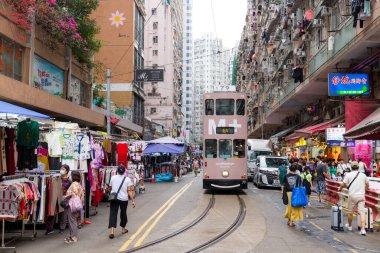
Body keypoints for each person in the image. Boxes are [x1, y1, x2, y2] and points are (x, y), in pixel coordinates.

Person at [339, 161, 369, 236]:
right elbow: (367, 185)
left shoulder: (348, 175)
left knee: (350, 212)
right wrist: (364, 190)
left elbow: (343, 184)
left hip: (352, 195)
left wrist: (340, 187)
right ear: (358, 167)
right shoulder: (363, 175)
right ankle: (363, 229)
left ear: (351, 167)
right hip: (361, 196)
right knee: (362, 212)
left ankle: (350, 226)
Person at [108, 165, 136, 239]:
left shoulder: (113, 178)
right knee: (123, 213)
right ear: (124, 172)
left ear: (117, 171)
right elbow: (129, 191)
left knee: (113, 213)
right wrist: (133, 201)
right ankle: (123, 229)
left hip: (114, 198)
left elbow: (110, 187)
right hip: (124, 199)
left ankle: (112, 231)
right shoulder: (127, 179)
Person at [45, 164, 72, 235]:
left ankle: (62, 228)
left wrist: (66, 197)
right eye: (61, 169)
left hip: (64, 198)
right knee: (53, 212)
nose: (61, 170)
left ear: (67, 171)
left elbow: (70, 191)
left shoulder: (69, 181)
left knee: (63, 214)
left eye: (63, 169)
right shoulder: (57, 178)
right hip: (56, 197)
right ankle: (49, 228)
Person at [63, 171, 84, 243]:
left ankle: (74, 237)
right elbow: (81, 195)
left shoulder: (74, 184)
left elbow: (73, 193)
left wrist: (65, 196)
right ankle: (72, 235)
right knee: (73, 220)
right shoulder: (79, 184)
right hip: (78, 204)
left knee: (72, 221)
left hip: (73, 205)